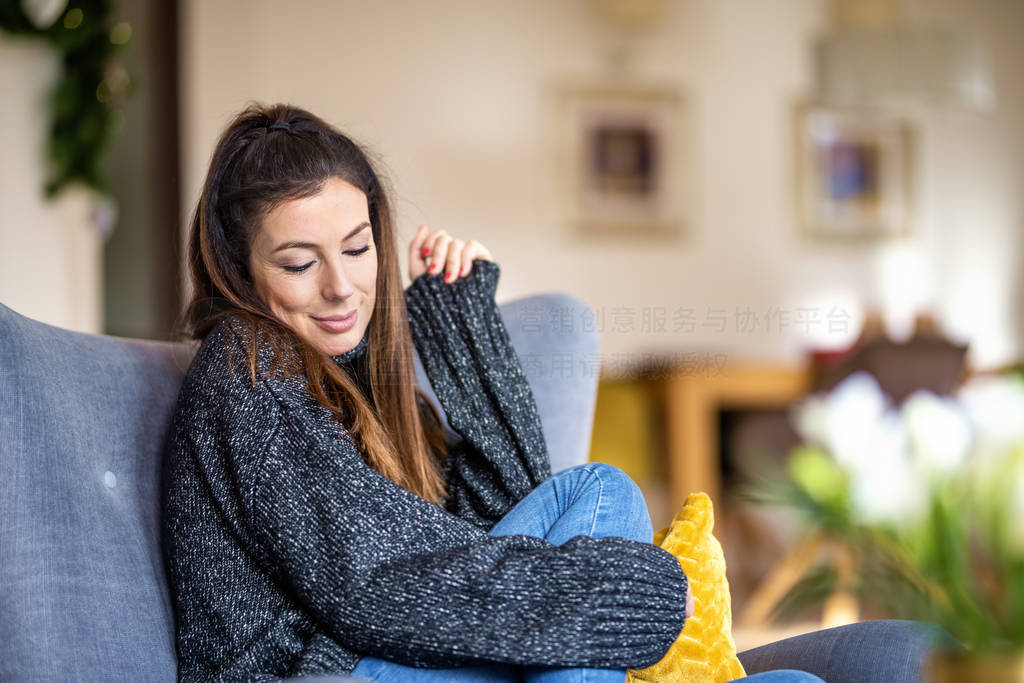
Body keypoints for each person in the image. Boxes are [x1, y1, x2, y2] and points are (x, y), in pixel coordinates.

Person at [160, 103, 940, 682]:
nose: (339, 287)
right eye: (298, 263)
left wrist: (463, 328)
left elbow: (506, 515)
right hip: (321, 672)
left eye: (358, 249)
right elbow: (377, 587)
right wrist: (623, 599)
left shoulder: (353, 371)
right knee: (603, 492)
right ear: (240, 268)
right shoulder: (249, 367)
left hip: (383, 652)